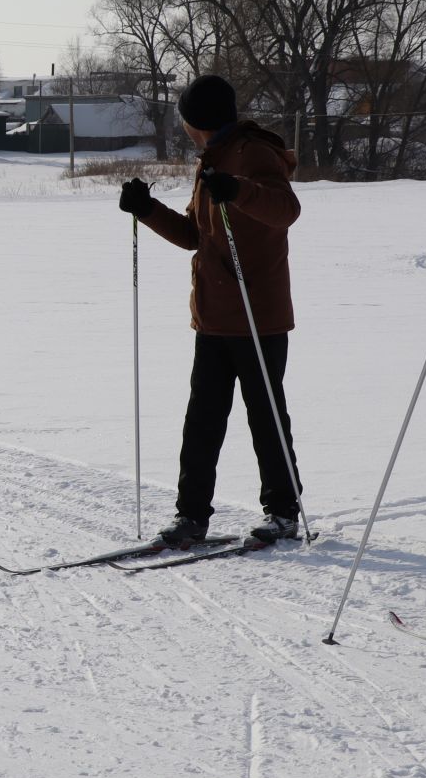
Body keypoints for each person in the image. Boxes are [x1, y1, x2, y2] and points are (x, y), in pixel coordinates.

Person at [118, 73, 304, 548]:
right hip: (215, 314)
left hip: (257, 314)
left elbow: (285, 209)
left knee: (265, 416)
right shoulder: (214, 160)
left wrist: (237, 190)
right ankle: (191, 516)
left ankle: (283, 511)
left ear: (192, 121)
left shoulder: (252, 153)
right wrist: (147, 208)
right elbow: (194, 237)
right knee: (202, 420)